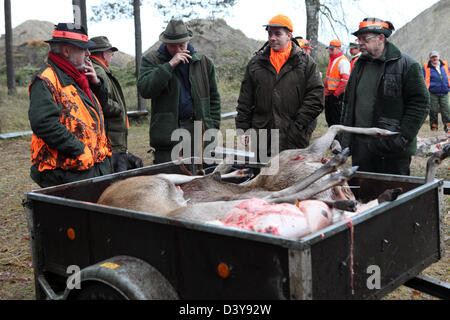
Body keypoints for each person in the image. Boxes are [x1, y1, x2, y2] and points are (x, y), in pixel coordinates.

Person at [340, 18, 430, 176]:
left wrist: (402, 138)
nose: (360, 43)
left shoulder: (407, 65)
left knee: (393, 196)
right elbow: (348, 103)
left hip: (391, 148)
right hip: (361, 147)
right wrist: (345, 138)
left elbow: (420, 104)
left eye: (365, 39)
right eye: (358, 39)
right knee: (364, 196)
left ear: (381, 38)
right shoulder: (358, 65)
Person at [28, 23, 112, 188]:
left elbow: (102, 108)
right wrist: (80, 150)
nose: (88, 54)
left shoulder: (79, 77)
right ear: (66, 51)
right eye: (83, 49)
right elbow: (44, 123)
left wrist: (96, 84)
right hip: (68, 172)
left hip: (91, 167)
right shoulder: (46, 80)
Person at [236, 14, 324, 160]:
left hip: (293, 138)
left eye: (278, 34)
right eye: (270, 33)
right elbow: (245, 99)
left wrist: (298, 126)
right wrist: (243, 129)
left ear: (289, 35)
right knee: (261, 178)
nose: (272, 38)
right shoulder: (256, 63)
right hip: (262, 136)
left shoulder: (306, 63)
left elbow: (316, 97)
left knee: (291, 179)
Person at [137, 19, 221, 165]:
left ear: (188, 41)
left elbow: (214, 99)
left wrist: (212, 128)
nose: (178, 50)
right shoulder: (151, 60)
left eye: (181, 45)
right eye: (172, 46)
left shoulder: (204, 63)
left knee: (202, 179)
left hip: (199, 132)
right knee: (172, 179)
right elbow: (145, 89)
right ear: (165, 43)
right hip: (168, 134)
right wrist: (169, 65)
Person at [89, 36, 143, 172]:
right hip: (111, 139)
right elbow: (103, 102)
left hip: (112, 138)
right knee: (117, 178)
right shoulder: (99, 71)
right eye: (111, 53)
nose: (111, 57)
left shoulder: (99, 70)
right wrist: (119, 109)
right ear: (103, 53)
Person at [324, 39, 351, 127]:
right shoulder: (333, 60)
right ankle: (333, 139)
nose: (330, 51)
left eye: (332, 49)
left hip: (336, 96)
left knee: (336, 121)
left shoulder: (343, 61)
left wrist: (336, 94)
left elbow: (345, 81)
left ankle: (338, 140)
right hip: (330, 95)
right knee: (330, 120)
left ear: (339, 49)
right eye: (329, 49)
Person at [422, 50, 450, 133]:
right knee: (433, 110)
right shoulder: (426, 67)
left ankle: (448, 127)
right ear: (430, 58)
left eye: (435, 56)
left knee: (446, 110)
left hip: (444, 91)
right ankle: (434, 127)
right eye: (432, 57)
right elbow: (421, 78)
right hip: (432, 92)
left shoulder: (444, 65)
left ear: (439, 57)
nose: (434, 58)